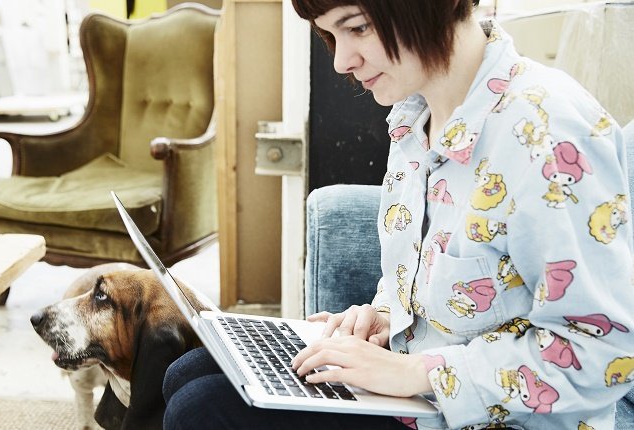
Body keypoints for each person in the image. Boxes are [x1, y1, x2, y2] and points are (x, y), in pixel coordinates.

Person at [162, 1, 634, 429]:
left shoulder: (548, 135)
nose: (340, 61)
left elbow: (604, 350)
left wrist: (414, 371)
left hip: (493, 418)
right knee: (190, 371)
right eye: (330, 35)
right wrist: (384, 318)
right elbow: (425, 272)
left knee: (199, 408)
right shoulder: (415, 120)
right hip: (416, 399)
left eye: (358, 27)